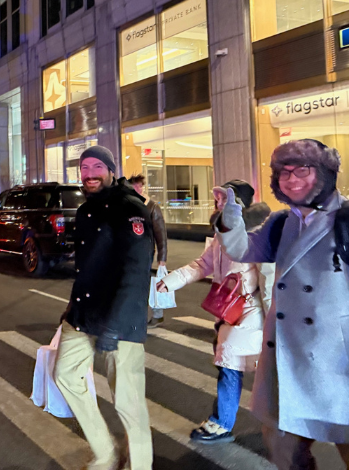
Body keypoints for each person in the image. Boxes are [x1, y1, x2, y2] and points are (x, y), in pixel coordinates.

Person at [217, 139, 349, 468]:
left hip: (337, 361)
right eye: (283, 172)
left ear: (325, 173)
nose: (291, 179)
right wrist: (230, 217)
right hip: (288, 357)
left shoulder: (346, 219)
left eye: (301, 170)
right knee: (283, 446)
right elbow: (242, 249)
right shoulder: (281, 222)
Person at [54, 146, 154, 470]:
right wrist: (71, 307)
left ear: (112, 171)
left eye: (97, 166)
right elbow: (87, 268)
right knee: (65, 374)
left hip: (119, 320)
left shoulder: (129, 208)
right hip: (83, 314)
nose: (90, 173)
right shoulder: (86, 210)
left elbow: (137, 271)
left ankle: (139, 465)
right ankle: (106, 453)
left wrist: (114, 327)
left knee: (128, 402)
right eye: (84, 167)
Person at [156, 180, 273, 443]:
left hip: (250, 312)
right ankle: (276, 423)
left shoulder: (256, 235)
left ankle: (223, 423)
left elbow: (269, 279)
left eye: (224, 199)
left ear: (238, 204)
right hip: (229, 311)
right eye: (217, 198)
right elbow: (202, 264)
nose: (218, 203)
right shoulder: (222, 235)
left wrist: (273, 318)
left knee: (232, 365)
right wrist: (172, 281)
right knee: (244, 367)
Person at [128, 174, 168, 328]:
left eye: (140, 186)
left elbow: (161, 233)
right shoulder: (129, 206)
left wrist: (162, 257)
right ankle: (139, 316)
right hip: (130, 253)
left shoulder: (151, 207)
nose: (138, 189)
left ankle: (155, 315)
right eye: (134, 186)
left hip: (145, 252)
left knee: (145, 285)